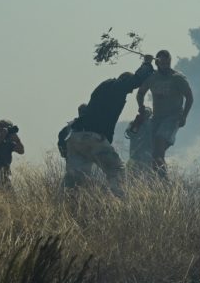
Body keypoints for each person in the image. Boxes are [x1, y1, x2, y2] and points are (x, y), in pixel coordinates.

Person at [65, 56, 153, 195]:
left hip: (76, 138)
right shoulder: (117, 87)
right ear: (125, 81)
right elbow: (136, 80)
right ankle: (119, 204)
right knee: (117, 170)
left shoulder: (103, 87)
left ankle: (65, 206)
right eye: (129, 90)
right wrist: (147, 64)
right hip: (93, 138)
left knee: (74, 179)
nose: (129, 93)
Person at [136, 50, 193, 176]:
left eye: (167, 63)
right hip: (156, 119)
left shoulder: (177, 78)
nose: (165, 66)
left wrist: (184, 116)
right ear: (157, 63)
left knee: (159, 144)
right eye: (162, 64)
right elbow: (140, 93)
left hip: (172, 118)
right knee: (154, 153)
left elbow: (189, 97)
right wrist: (141, 107)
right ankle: (159, 181)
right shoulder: (152, 78)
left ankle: (162, 180)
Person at [125, 107, 154, 175]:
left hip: (147, 154)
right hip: (135, 154)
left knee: (147, 174)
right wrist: (137, 123)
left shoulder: (152, 123)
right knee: (133, 174)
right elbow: (129, 134)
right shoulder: (134, 123)